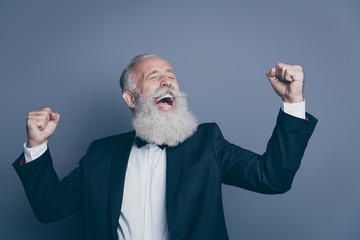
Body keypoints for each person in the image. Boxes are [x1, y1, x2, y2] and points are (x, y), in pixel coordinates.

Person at [13, 54, 317, 240]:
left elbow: (273, 177)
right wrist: (36, 146)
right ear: (131, 99)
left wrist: (292, 102)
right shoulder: (100, 154)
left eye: (171, 75)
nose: (167, 81)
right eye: (154, 76)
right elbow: (50, 209)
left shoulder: (207, 142)